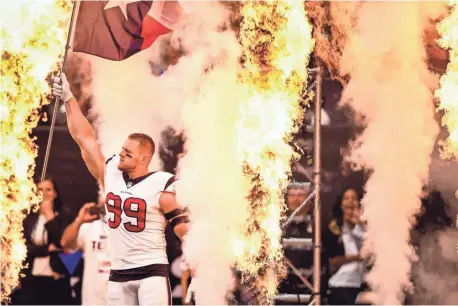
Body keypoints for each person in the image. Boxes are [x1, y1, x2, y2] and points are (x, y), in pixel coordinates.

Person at [53, 73, 190, 305]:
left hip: (151, 274)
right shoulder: (111, 174)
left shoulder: (161, 185)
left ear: (144, 158)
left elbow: (184, 230)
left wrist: (199, 266)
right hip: (117, 275)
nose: (122, 154)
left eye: (129, 152)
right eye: (122, 149)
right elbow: (85, 138)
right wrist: (68, 98)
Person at [12, 177, 73, 305]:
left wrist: (50, 215)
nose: (44, 193)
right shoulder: (28, 217)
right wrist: (46, 249)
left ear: (55, 193)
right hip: (32, 278)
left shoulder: (64, 216)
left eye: (48, 189)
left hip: (57, 278)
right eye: (40, 189)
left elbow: (62, 242)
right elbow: (22, 247)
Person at [60, 201, 110, 305]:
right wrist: (79, 220)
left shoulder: (134, 230)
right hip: (92, 300)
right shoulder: (90, 227)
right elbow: (65, 243)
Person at [323, 187, 366, 305]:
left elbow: (371, 253)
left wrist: (359, 224)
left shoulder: (364, 227)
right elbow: (333, 262)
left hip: (362, 284)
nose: (351, 202)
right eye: (346, 198)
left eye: (354, 198)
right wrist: (358, 257)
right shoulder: (333, 228)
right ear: (341, 204)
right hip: (341, 284)